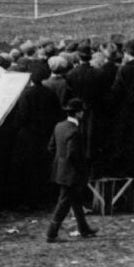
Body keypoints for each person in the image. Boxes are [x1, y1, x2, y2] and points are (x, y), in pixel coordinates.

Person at [46, 100, 95, 242]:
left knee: (75, 200)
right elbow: (73, 155)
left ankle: (84, 228)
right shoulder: (75, 131)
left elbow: (51, 147)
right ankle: (51, 233)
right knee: (64, 202)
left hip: (60, 170)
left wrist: (60, 161)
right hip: (71, 172)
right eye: (82, 111)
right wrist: (82, 170)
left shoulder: (59, 126)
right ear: (78, 113)